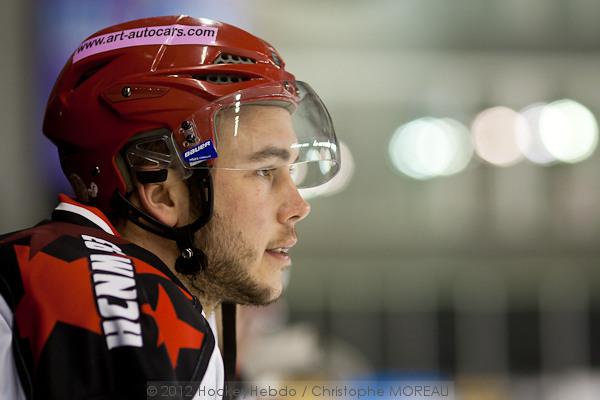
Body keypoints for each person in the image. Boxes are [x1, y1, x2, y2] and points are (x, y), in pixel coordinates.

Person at [0, 15, 339, 399]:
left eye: (290, 171)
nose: (298, 206)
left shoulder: (58, 267)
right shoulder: (145, 313)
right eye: (264, 170)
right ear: (162, 192)